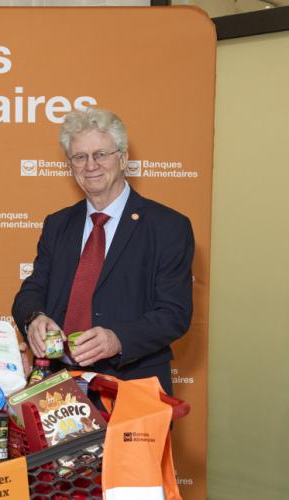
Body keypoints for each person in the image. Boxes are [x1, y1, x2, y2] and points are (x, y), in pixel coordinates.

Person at [12, 108, 194, 394]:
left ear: (123, 158)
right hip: (58, 389)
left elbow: (174, 314)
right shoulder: (57, 224)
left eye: (101, 154)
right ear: (70, 165)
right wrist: (34, 318)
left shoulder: (168, 226)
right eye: (80, 157)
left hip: (132, 388)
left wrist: (117, 339)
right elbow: (32, 290)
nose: (90, 165)